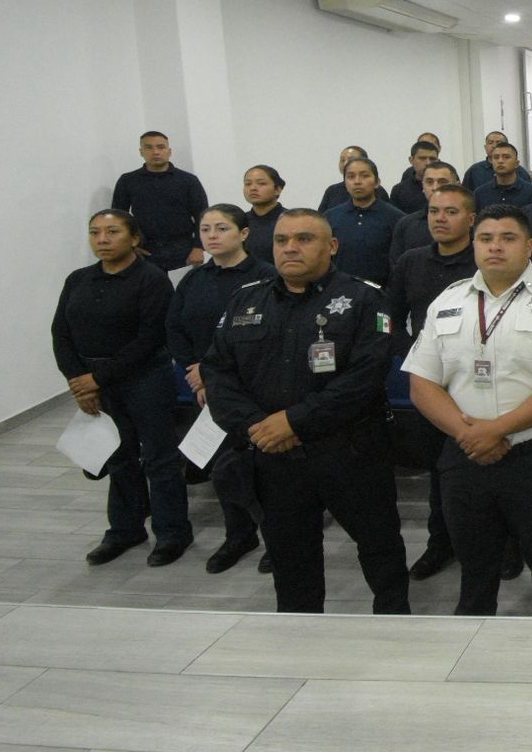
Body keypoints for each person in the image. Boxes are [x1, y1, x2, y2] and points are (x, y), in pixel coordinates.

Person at [202, 209, 410, 614]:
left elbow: (363, 380)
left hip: (350, 452)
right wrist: (255, 428)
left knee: (379, 546)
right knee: (290, 556)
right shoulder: (247, 299)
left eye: (304, 239)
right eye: (281, 241)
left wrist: (293, 421)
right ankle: (300, 631)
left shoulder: (365, 299)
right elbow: (218, 372)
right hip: (275, 456)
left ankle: (393, 621)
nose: (290, 248)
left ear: (331, 246)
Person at [404, 204, 532, 616]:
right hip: (464, 453)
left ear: (529, 247)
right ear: (474, 245)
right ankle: (473, 660)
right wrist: (468, 433)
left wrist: (497, 430)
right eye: (486, 238)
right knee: (474, 568)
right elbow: (421, 382)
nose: (495, 247)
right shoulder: (448, 301)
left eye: (508, 239)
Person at [52, 210, 191, 566]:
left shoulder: (152, 279)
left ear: (133, 239)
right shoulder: (78, 279)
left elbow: (150, 338)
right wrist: (80, 382)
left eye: (112, 231)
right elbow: (61, 333)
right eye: (95, 232)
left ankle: (172, 532)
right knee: (118, 455)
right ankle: (125, 529)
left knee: (159, 457)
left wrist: (97, 379)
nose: (102, 239)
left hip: (145, 378)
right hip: (94, 380)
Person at [166, 204, 277, 573]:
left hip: (253, 387)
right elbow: (175, 329)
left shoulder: (266, 277)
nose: (212, 236)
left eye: (222, 228)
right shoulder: (194, 280)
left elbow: (271, 337)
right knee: (223, 466)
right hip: (205, 388)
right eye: (205, 229)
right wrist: (195, 371)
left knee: (265, 469)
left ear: (244, 234)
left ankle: (277, 539)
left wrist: (212, 375)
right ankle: (238, 535)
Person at [385, 183, 479, 582]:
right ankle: (440, 544)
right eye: (434, 211)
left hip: (480, 377)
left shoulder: (484, 260)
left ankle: (501, 545)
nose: (440, 219)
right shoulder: (411, 261)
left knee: (488, 465)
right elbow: (386, 317)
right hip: (431, 382)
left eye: (451, 211)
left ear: (471, 219)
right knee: (441, 470)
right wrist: (415, 354)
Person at [111, 130, 208, 271]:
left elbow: (203, 215)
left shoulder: (188, 180)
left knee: (186, 292)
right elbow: (119, 218)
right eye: (149, 147)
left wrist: (199, 247)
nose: (155, 152)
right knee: (150, 293)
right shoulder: (128, 181)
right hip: (144, 251)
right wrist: (129, 247)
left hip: (184, 250)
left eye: (161, 147)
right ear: (141, 151)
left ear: (169, 151)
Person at [324, 157, 405, 285]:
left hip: (381, 293)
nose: (357, 181)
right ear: (344, 183)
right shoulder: (330, 217)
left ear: (377, 182)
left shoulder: (396, 218)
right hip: (338, 291)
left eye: (364, 176)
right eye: (351, 176)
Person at [387, 161, 459, 264]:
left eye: (442, 182)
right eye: (429, 182)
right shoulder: (406, 225)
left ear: (457, 185)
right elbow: (396, 266)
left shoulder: (468, 222)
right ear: (423, 187)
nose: (435, 188)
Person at [318, 145, 391, 211]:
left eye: (351, 159)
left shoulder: (377, 190)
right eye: (342, 160)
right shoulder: (332, 190)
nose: (345, 163)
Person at [243, 164, 286, 268]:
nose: (253, 188)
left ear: (278, 189)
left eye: (261, 183)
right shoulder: (239, 221)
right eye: (248, 184)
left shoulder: (290, 220)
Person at [475, 143, 532, 210]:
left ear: (516, 164)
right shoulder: (481, 193)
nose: (500, 161)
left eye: (506, 157)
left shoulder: (531, 191)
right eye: (496, 157)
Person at [390, 139, 440, 214]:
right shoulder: (399, 191)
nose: (428, 163)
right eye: (422, 158)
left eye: (432, 159)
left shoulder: (446, 187)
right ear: (411, 160)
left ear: (438, 161)